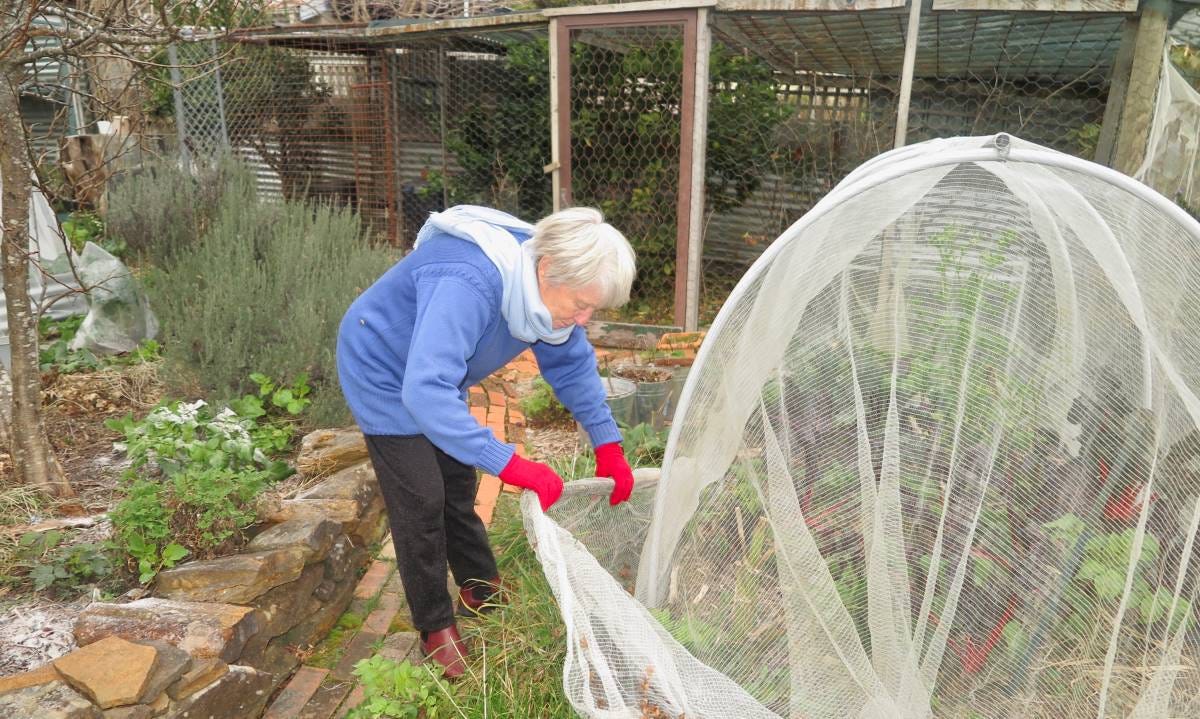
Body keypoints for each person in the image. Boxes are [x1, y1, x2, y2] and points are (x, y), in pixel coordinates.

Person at [336, 205, 638, 678]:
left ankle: (479, 584)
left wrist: (608, 444)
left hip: (431, 372)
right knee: (422, 499)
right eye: (581, 304)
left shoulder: (546, 298)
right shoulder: (469, 280)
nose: (584, 319)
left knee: (456, 485)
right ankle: (435, 625)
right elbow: (424, 391)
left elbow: (572, 364)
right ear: (545, 270)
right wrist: (510, 464)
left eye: (594, 309)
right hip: (383, 368)